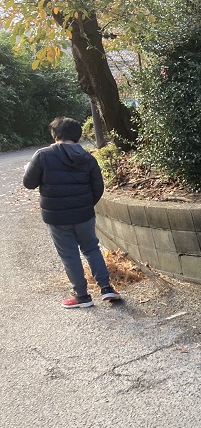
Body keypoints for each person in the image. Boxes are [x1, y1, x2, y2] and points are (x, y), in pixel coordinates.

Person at [22, 117, 120, 308]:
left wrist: (29, 170)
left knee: (69, 255)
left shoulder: (42, 156)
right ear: (77, 137)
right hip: (84, 214)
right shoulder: (88, 158)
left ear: (56, 136)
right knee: (92, 248)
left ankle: (82, 296)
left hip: (57, 217)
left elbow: (29, 183)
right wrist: (85, 205)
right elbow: (98, 187)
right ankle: (106, 288)